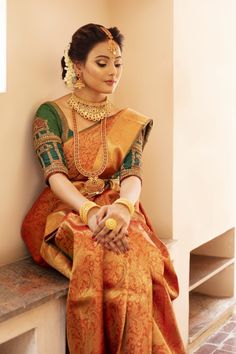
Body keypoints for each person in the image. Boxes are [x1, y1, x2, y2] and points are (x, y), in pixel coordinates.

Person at [22, 23, 186, 354]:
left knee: (134, 257)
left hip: (117, 205)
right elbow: (55, 176)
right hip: (63, 209)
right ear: (77, 65)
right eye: (103, 63)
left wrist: (124, 208)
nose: (114, 72)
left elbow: (132, 175)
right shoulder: (50, 113)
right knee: (100, 249)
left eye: (118, 63)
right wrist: (91, 211)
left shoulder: (128, 120)